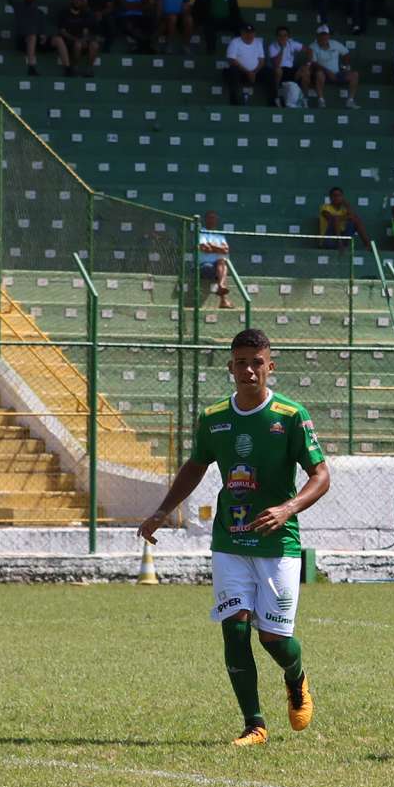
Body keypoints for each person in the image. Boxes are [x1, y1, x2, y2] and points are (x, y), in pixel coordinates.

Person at [136, 330, 330, 748]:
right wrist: (161, 511)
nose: (248, 370)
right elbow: (195, 465)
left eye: (256, 362)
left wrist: (288, 508)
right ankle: (254, 724)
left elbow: (321, 476)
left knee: (273, 638)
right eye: (240, 362)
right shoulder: (214, 418)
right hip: (230, 541)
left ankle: (296, 677)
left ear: (270, 366)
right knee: (235, 629)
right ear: (230, 367)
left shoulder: (290, 415)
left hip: (278, 543)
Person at [196, 212, 232, 309]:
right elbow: (204, 247)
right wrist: (219, 248)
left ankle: (221, 287)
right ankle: (224, 299)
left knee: (222, 262)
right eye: (210, 218)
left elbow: (226, 250)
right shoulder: (201, 232)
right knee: (220, 267)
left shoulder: (219, 235)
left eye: (214, 218)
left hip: (217, 266)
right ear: (206, 220)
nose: (212, 220)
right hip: (204, 266)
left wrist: (212, 246)